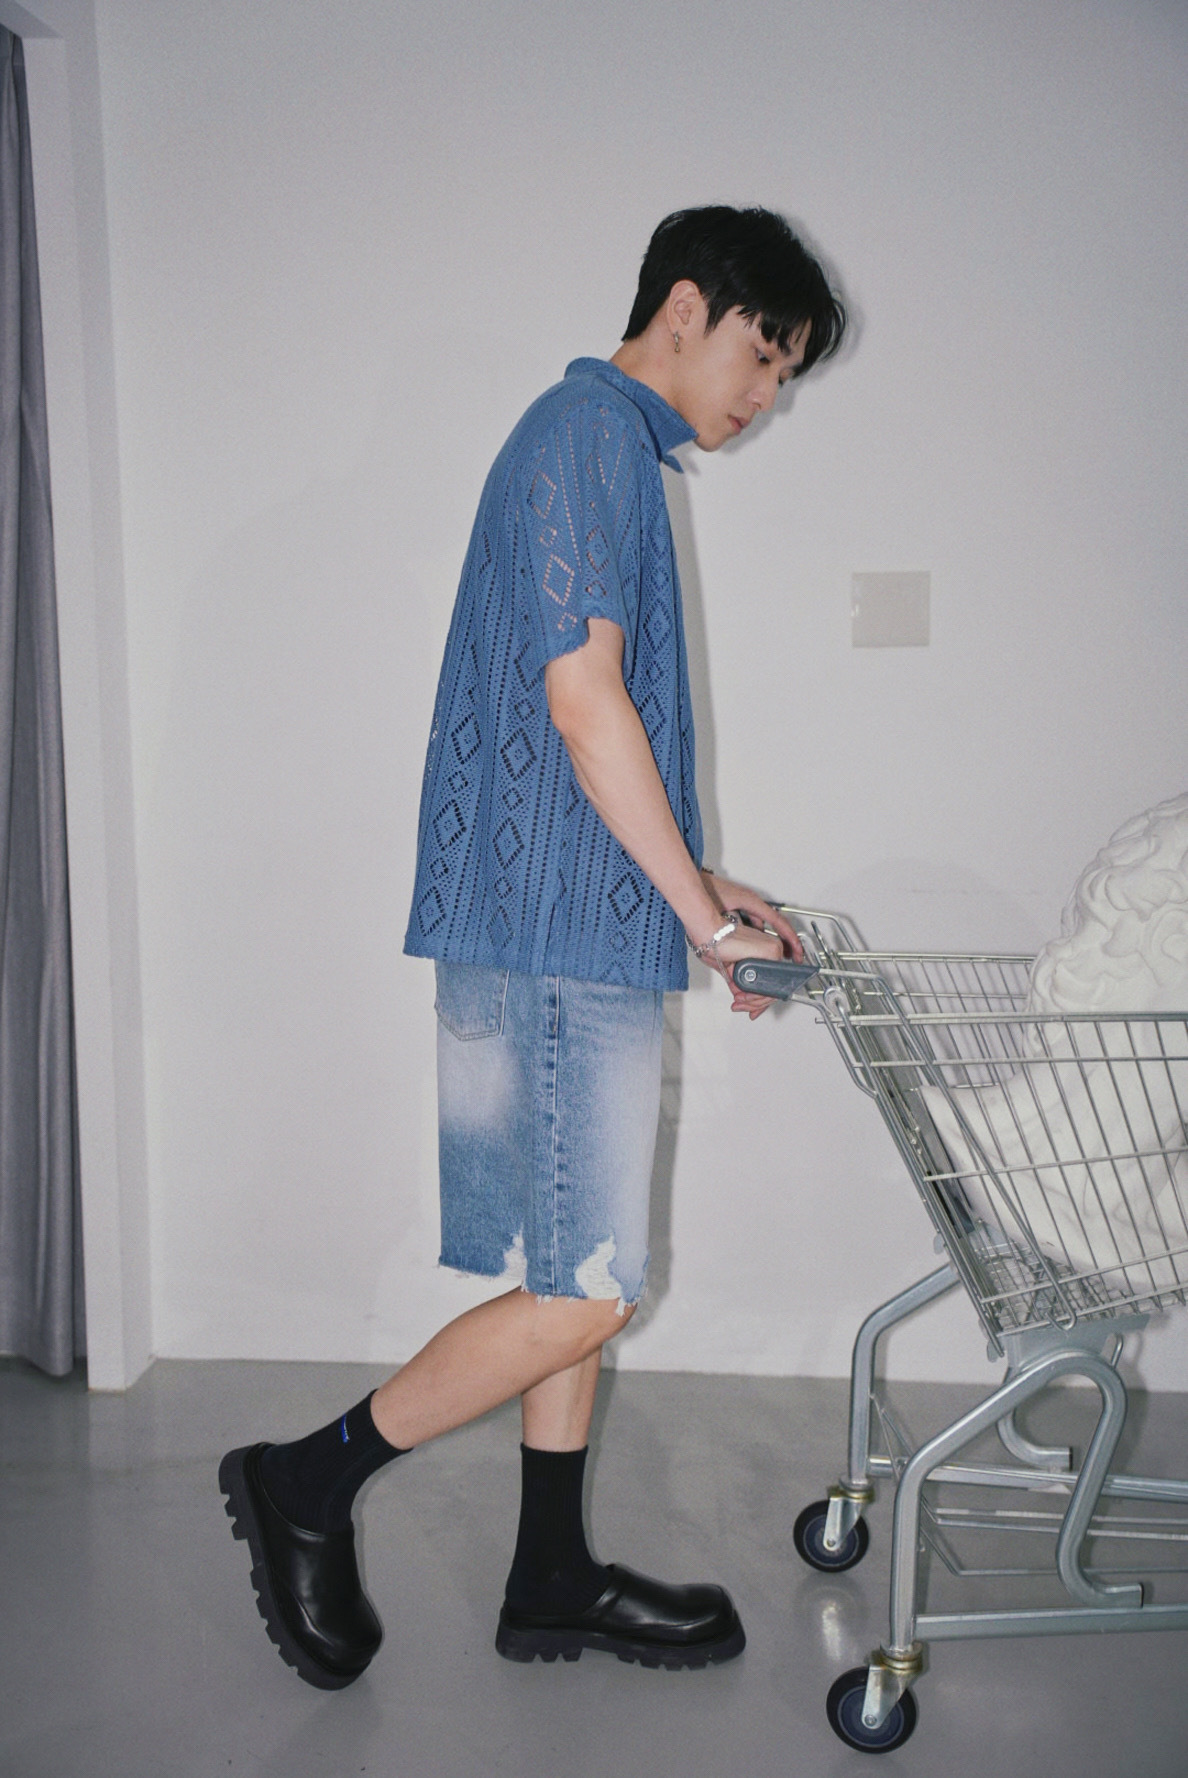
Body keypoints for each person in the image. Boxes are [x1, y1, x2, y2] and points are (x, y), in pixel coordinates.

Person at [220, 204, 846, 1689]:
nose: (765, 395)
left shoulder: (602, 446)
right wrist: (699, 920)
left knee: (575, 1272)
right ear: (685, 309)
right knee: (593, 1286)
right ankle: (304, 1481)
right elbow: (584, 704)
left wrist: (705, 881)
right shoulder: (586, 438)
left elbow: (583, 735)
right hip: (564, 941)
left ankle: (551, 1573)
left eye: (787, 376)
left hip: (569, 920)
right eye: (763, 354)